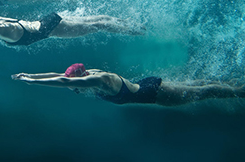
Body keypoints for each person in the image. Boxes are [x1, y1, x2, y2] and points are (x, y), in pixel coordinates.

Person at [12, 63, 245, 106]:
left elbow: (62, 81)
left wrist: (32, 82)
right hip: (148, 85)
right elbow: (60, 74)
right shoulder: (89, 74)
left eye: (77, 86)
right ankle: (230, 84)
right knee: (195, 85)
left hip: (154, 93)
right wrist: (32, 74)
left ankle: (238, 91)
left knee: (202, 93)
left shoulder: (99, 80)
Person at [0, 10, 146, 46]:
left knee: (97, 26)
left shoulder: (2, 32)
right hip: (47, 21)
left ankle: (136, 29)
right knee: (95, 20)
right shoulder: (3, 24)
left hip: (52, 28)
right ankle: (128, 22)